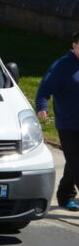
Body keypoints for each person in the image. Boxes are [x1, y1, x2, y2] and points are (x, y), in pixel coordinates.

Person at [36, 32, 79, 212]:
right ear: (75, 45)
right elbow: (45, 88)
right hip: (69, 124)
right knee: (76, 161)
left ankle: (65, 195)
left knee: (73, 161)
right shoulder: (62, 65)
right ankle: (66, 195)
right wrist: (42, 106)